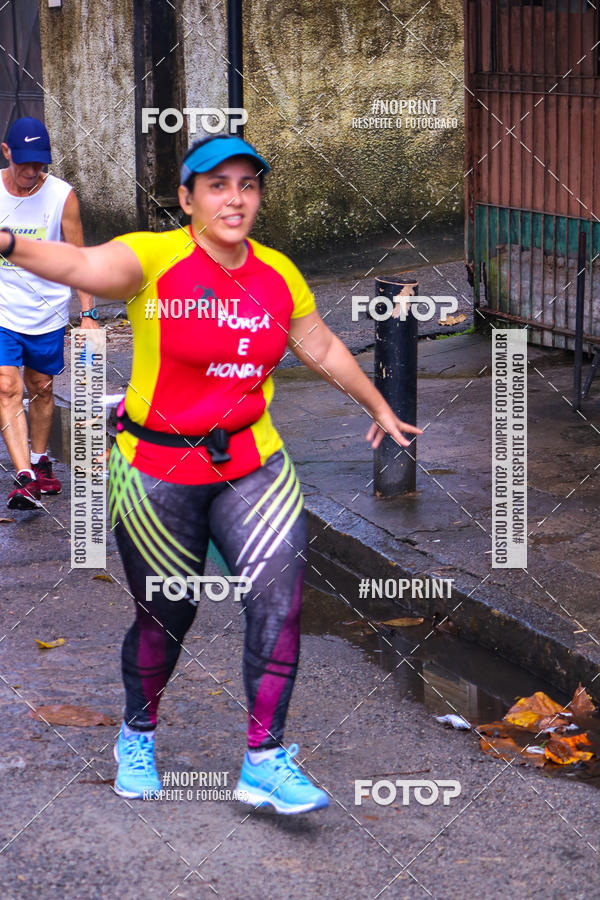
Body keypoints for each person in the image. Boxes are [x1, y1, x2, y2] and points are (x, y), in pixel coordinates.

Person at [0, 133, 421, 814]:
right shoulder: (155, 258)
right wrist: (9, 244)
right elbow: (78, 262)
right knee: (167, 614)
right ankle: (136, 733)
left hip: (252, 460)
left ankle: (264, 757)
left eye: (247, 185)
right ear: (187, 198)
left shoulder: (277, 272)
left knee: (279, 597)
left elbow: (316, 343)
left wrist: (378, 405)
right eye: (217, 184)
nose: (235, 198)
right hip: (156, 468)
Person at [0, 116, 97, 510]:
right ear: (6, 152)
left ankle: (40, 461)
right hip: (3, 311)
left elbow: (78, 259)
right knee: (8, 388)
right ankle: (23, 476)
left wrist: (88, 313)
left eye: (38, 164)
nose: (30, 171)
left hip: (47, 313)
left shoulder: (61, 196)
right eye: (23, 162)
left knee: (42, 388)